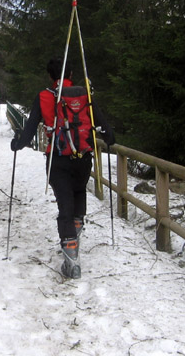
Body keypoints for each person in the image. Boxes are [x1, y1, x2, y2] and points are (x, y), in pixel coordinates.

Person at [10, 58, 115, 279]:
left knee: (65, 207)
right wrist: (106, 136)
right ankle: (74, 241)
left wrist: (17, 143)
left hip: (57, 159)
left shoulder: (44, 96)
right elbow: (108, 132)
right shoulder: (84, 95)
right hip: (83, 158)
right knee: (78, 194)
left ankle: (71, 260)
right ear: (72, 74)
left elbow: (28, 132)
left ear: (50, 76)